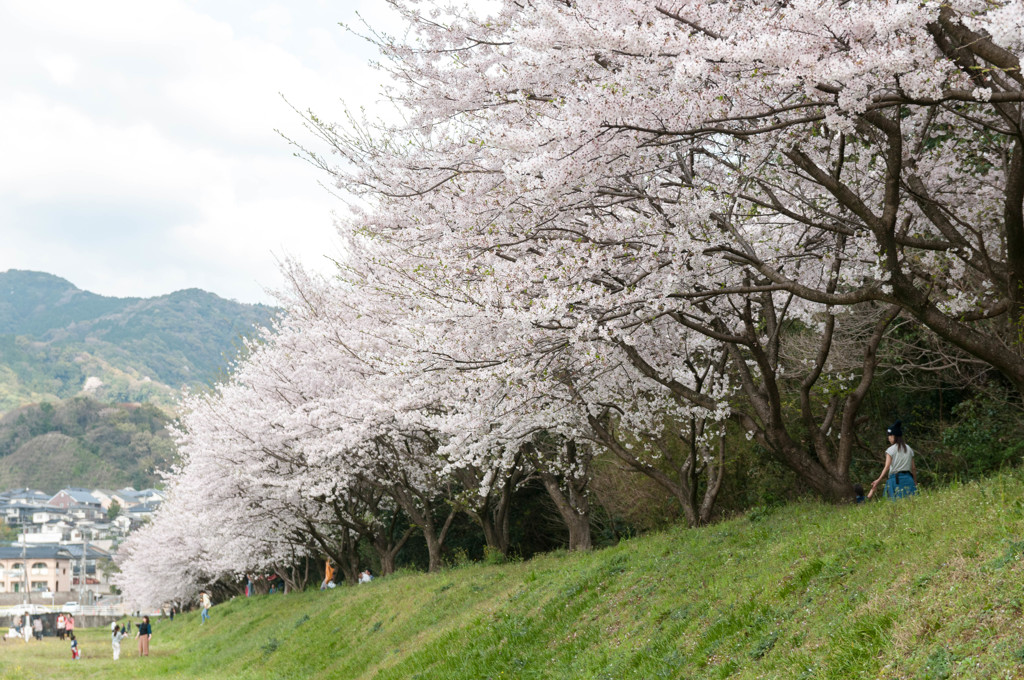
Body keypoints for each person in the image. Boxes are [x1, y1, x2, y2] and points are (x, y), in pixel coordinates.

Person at [870, 420, 918, 500]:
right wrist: (915, 481)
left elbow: (887, 467)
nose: (888, 438)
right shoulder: (909, 449)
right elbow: (913, 468)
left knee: (894, 506)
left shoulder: (890, 450)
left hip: (896, 481)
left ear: (893, 436)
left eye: (889, 436)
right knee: (911, 504)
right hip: (909, 479)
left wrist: (878, 480)